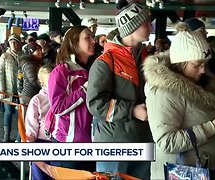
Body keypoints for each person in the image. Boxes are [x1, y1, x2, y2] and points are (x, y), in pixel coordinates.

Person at [86, 0, 153, 179]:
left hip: (143, 139)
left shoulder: (146, 58)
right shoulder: (105, 61)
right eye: (146, 22)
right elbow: (95, 104)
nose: (151, 26)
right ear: (133, 27)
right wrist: (132, 111)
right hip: (114, 145)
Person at [143, 22, 215, 179]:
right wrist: (211, 127)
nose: (203, 70)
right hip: (181, 172)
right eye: (197, 65)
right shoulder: (162, 92)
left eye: (205, 64)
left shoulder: (201, 82)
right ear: (181, 63)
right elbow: (166, 141)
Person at [47, 25, 95, 172]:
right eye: (88, 37)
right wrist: (84, 89)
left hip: (90, 144)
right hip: (68, 145)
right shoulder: (61, 71)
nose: (93, 41)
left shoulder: (89, 70)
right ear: (74, 42)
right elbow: (57, 107)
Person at [25, 64, 54, 180]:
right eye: (50, 80)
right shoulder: (37, 100)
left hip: (58, 143)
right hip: (41, 144)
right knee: (40, 176)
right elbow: (31, 125)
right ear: (43, 83)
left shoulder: (63, 97)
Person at [0, 34, 23, 142]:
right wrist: (1, 90)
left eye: (15, 42)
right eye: (11, 42)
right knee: (8, 113)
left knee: (19, 115)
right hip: (7, 91)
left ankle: (19, 137)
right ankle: (6, 136)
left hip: (20, 91)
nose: (13, 44)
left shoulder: (23, 56)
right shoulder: (4, 56)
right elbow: (0, 73)